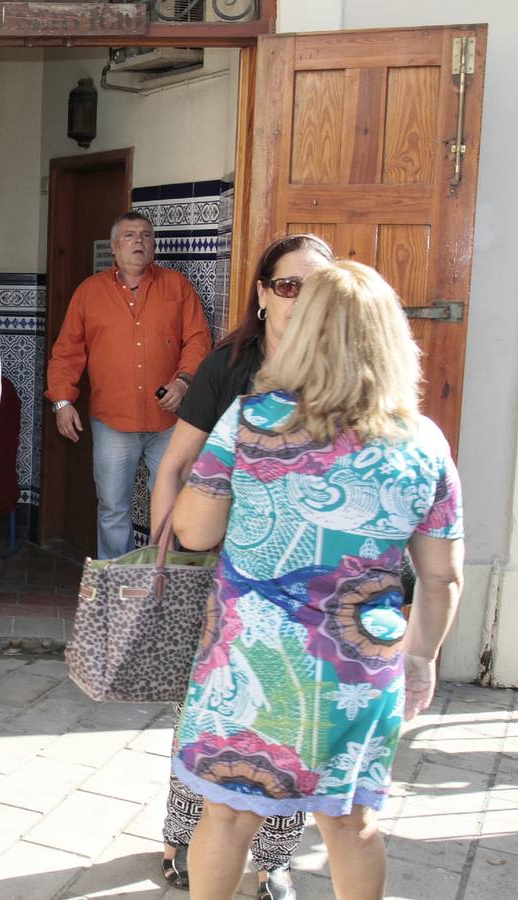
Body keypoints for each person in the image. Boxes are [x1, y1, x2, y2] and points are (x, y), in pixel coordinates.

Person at [171, 260, 465, 900]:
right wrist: (420, 658)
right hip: (361, 668)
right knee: (351, 820)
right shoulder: (423, 442)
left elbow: (192, 533)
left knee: (228, 814)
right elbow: (442, 578)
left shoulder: (251, 421)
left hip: (251, 664)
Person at [148, 233, 335, 900]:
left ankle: (273, 858)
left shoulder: (344, 371)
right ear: (261, 293)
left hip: (311, 586)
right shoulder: (230, 366)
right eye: (287, 285)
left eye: (316, 287)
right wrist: (170, 567)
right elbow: (173, 467)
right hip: (225, 571)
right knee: (210, 721)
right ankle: (180, 836)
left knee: (294, 722)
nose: (299, 299)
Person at [45, 211, 212, 559]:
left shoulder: (177, 286)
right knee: (113, 509)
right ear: (114, 247)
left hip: (169, 423)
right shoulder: (89, 292)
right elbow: (66, 353)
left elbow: (198, 340)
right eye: (130, 236)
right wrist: (62, 402)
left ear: (153, 245)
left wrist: (183, 382)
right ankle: (115, 586)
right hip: (112, 422)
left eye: (146, 236)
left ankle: (161, 582)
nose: (139, 241)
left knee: (169, 506)